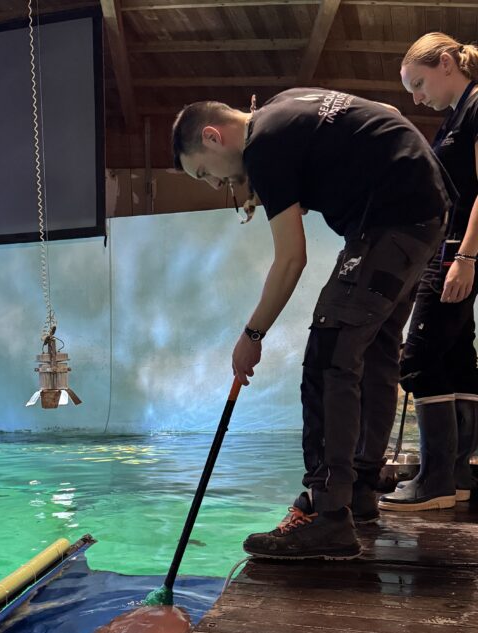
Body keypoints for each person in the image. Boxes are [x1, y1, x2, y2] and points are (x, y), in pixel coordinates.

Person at [172, 91, 451, 558]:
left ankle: (328, 514)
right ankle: (359, 489)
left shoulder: (263, 147)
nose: (217, 183)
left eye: (204, 172)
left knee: (329, 354)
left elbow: (290, 260)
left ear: (212, 137)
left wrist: (252, 335)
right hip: (425, 212)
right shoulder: (285, 108)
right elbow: (386, 117)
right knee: (375, 350)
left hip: (392, 219)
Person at [379, 33, 478, 512]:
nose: (417, 98)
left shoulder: (476, 107)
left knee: (417, 357)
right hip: (452, 249)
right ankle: (456, 476)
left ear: (446, 63)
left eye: (418, 84)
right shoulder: (456, 116)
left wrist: (467, 258)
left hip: (458, 252)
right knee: (456, 354)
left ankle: (434, 481)